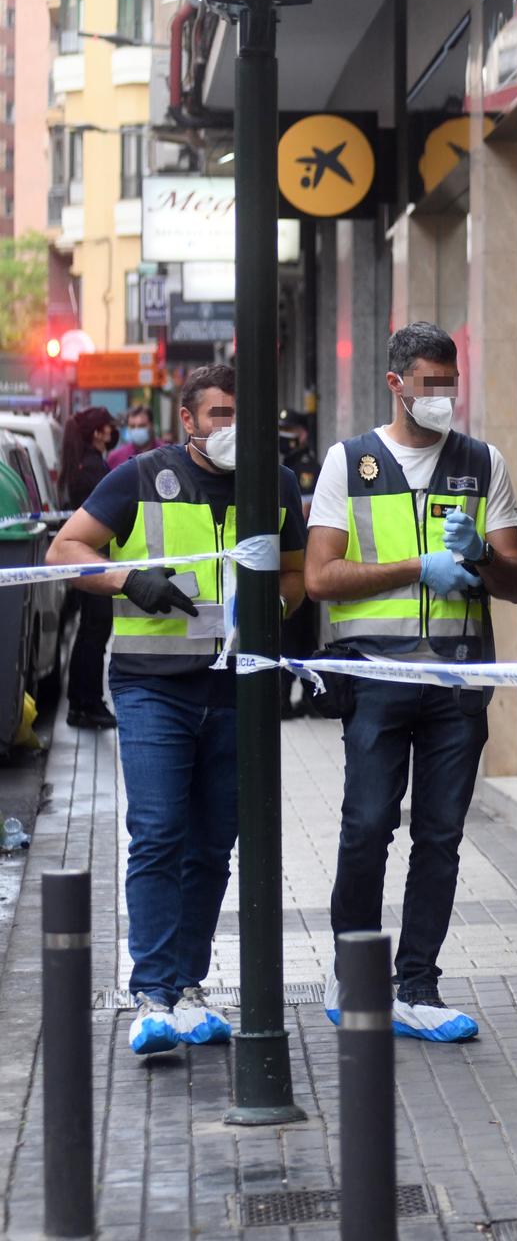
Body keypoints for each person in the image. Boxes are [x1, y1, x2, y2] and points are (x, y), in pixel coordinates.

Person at [48, 366, 307, 1054]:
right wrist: (129, 578)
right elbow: (64, 549)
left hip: (236, 690)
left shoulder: (276, 486)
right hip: (152, 686)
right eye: (218, 415)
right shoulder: (139, 477)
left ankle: (189, 986)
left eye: (241, 416)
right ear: (187, 421)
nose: (231, 429)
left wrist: (272, 607)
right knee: (159, 831)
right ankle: (153, 993)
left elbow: (295, 576)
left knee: (212, 844)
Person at [308, 322, 517, 1042]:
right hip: (375, 677)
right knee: (369, 826)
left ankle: (419, 985)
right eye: (429, 385)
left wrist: (483, 561)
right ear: (396, 383)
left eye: (450, 385)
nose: (442, 398)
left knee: (440, 835)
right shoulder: (350, 463)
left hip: (459, 684)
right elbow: (319, 578)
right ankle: (358, 979)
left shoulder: (480, 462)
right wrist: (415, 567)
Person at [58, 406, 119, 730]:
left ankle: (81, 703)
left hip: (88, 561)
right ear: (97, 432)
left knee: (89, 631)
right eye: (109, 427)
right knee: (95, 632)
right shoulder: (93, 469)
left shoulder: (85, 464)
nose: (113, 431)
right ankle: (89, 703)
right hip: (94, 561)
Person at [278, 409, 322, 719]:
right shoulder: (283, 466)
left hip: (303, 561)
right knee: (288, 634)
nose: (283, 435)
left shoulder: (305, 468)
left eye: (289, 429)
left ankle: (306, 698)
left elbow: (304, 513)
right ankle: (285, 699)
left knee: (299, 635)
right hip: (287, 560)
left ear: (302, 434)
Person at [107, 403, 159, 470]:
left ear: (151, 425)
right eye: (132, 426)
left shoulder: (165, 453)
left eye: (141, 426)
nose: (136, 430)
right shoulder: (116, 457)